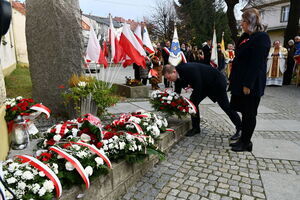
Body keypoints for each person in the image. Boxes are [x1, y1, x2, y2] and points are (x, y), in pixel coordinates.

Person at [228, 8, 271, 152]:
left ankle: (246, 142)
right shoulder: (246, 36)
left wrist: (248, 84)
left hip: (251, 83)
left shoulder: (262, 37)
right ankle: (243, 139)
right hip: (241, 82)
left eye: (244, 21)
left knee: (249, 113)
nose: (242, 24)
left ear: (251, 21)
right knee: (244, 112)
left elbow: (256, 63)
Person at [163, 63, 242, 138]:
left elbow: (198, 86)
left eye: (169, 78)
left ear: (174, 71)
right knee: (193, 103)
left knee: (225, 106)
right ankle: (196, 128)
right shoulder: (177, 72)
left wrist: (192, 101)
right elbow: (178, 86)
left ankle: (240, 128)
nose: (170, 80)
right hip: (205, 84)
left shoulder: (188, 69)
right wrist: (174, 99)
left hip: (216, 82)